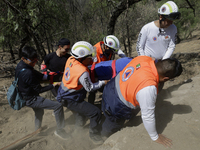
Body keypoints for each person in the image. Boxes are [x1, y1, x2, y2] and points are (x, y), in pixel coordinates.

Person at [101, 56, 183, 148]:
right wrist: (155, 137)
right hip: (117, 104)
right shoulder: (148, 88)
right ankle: (105, 135)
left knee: (108, 111)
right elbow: (147, 116)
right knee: (113, 121)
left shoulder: (145, 58)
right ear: (166, 78)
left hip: (111, 86)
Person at [57, 41, 107, 144]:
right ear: (81, 58)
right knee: (95, 113)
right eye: (89, 57)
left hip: (64, 95)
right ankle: (93, 135)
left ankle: (77, 134)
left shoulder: (70, 59)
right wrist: (103, 82)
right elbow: (90, 88)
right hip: (70, 99)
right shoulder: (82, 71)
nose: (91, 59)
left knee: (80, 115)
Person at [16, 46, 70, 140]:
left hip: (25, 94)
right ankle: (60, 131)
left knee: (39, 111)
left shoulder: (22, 65)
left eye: (36, 60)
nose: (34, 63)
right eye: (32, 61)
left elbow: (37, 74)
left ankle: (38, 130)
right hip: (31, 99)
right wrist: (54, 85)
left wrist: (48, 76)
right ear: (23, 58)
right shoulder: (27, 73)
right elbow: (39, 90)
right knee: (57, 106)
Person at [89, 35, 126, 104]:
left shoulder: (109, 49)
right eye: (111, 50)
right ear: (106, 46)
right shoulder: (94, 51)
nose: (112, 52)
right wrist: (94, 77)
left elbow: (118, 50)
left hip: (105, 71)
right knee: (93, 91)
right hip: (94, 73)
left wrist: (125, 58)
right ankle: (91, 106)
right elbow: (89, 65)